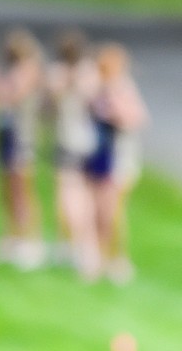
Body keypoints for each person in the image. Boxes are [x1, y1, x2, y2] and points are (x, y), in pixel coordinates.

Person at [0, 28, 44, 269]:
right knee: (8, 188)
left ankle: (31, 240)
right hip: (6, 133)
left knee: (22, 189)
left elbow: (9, 97)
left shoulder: (28, 71)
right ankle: (12, 236)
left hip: (21, 137)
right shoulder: (15, 71)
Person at [86, 42, 147, 284]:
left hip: (121, 159)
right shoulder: (98, 88)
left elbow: (136, 118)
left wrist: (114, 109)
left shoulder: (123, 88)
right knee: (100, 210)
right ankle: (101, 256)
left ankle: (118, 258)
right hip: (101, 157)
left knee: (113, 210)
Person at [44, 29, 99, 272]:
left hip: (69, 140)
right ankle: (83, 245)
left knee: (68, 193)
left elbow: (48, 109)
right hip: (88, 141)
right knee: (85, 194)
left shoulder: (59, 75)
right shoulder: (89, 73)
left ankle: (77, 245)